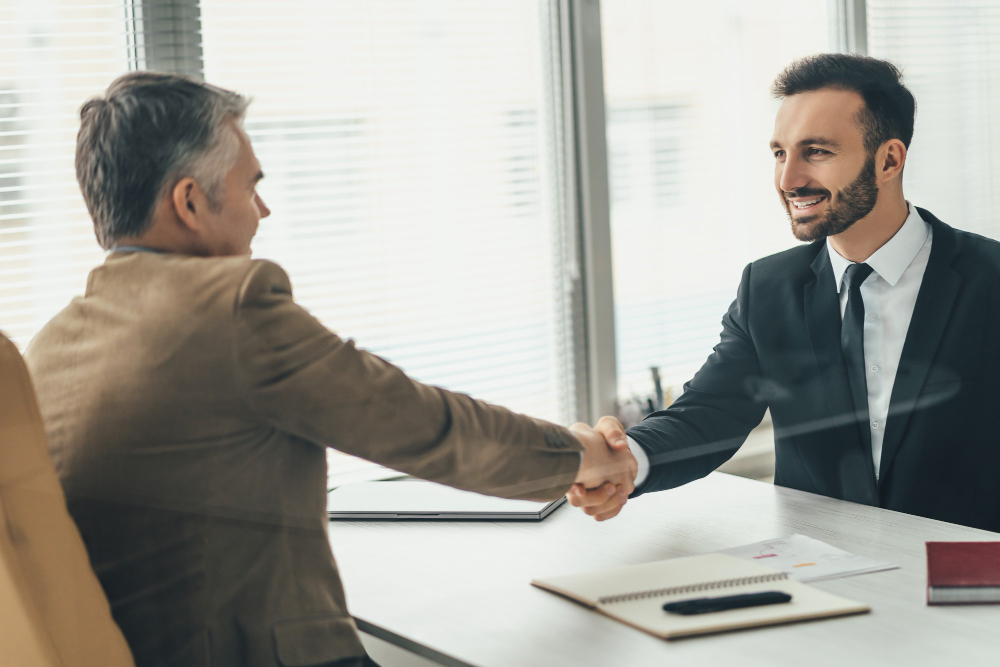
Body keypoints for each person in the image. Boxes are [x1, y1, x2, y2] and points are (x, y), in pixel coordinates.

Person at [23, 72, 635, 667]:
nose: (263, 209)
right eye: (249, 186)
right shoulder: (228, 307)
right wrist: (582, 455)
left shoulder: (47, 350)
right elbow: (428, 427)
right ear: (189, 202)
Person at [570, 53, 1000, 533]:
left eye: (816, 152)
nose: (788, 179)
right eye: (780, 153)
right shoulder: (768, 288)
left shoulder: (991, 278)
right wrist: (625, 459)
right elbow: (710, 412)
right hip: (821, 576)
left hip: (971, 582)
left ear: (889, 159)